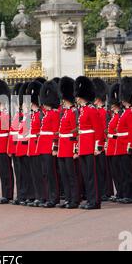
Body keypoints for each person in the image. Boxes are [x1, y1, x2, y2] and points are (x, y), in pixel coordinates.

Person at [74, 76, 103, 210]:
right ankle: (90, 199)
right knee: (86, 175)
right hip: (84, 146)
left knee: (92, 175)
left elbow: (98, 129)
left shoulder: (91, 109)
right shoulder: (82, 110)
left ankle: (95, 201)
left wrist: (98, 146)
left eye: (78, 96)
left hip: (91, 146)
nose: (77, 98)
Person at [116, 77, 132, 204]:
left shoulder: (130, 113)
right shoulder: (125, 112)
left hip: (127, 146)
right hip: (121, 145)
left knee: (130, 171)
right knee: (124, 172)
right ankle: (127, 194)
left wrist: (130, 145)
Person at [37, 80, 61, 208]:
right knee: (45, 173)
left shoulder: (54, 114)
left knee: (52, 173)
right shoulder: (47, 114)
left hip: (49, 147)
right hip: (43, 147)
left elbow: (56, 132)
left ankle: (54, 197)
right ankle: (47, 196)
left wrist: (55, 147)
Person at [57, 77, 80, 209]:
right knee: (65, 175)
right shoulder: (65, 112)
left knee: (72, 175)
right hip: (62, 147)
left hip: (69, 148)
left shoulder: (73, 111)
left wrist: (75, 149)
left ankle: (74, 199)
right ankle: (68, 198)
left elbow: (76, 132)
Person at [0, 79, 14, 204]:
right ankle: (5, 193)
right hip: (0, 145)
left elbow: (6, 133)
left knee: (6, 171)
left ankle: (8, 194)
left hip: (4, 145)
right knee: (2, 171)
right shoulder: (0, 114)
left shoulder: (5, 114)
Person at [16, 82, 35, 206]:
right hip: (20, 148)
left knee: (29, 174)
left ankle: (31, 195)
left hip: (27, 148)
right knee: (22, 174)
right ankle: (23, 194)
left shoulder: (31, 116)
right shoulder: (22, 116)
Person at [26, 81, 44, 207]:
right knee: (34, 174)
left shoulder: (40, 114)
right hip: (32, 146)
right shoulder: (33, 115)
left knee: (40, 173)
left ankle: (42, 196)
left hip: (38, 145)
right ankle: (37, 195)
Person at [92, 78, 111, 201]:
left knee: (103, 169)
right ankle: (102, 190)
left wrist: (103, 144)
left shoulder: (103, 112)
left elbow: (104, 130)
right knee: (98, 169)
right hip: (95, 143)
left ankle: (106, 191)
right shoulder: (97, 111)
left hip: (101, 144)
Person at [8, 83, 24, 205]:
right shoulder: (16, 115)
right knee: (18, 173)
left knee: (23, 173)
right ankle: (19, 194)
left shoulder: (23, 116)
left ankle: (24, 195)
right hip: (15, 148)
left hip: (22, 148)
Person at [106, 83, 121, 202]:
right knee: (115, 172)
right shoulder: (114, 116)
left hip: (117, 146)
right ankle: (119, 192)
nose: (110, 106)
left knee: (120, 171)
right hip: (111, 146)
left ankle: (123, 192)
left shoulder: (120, 116)